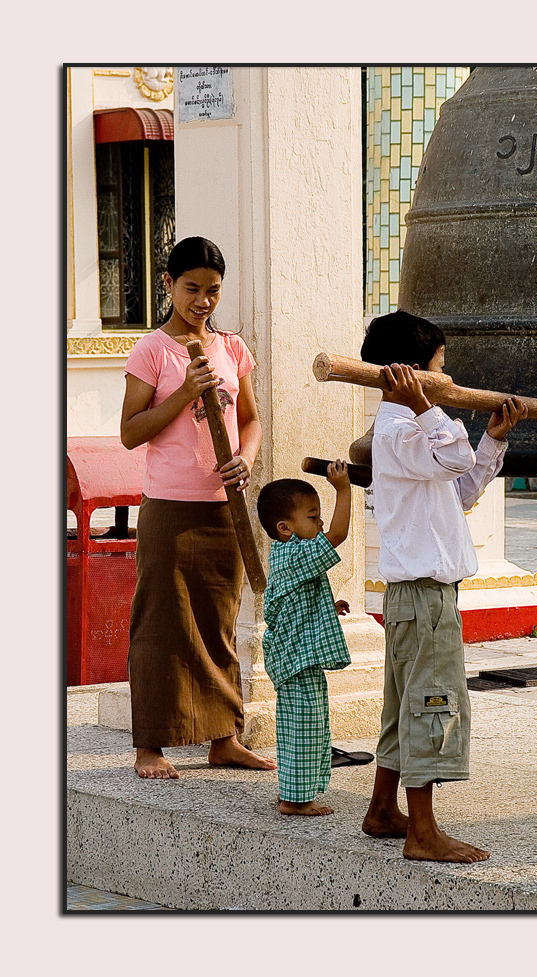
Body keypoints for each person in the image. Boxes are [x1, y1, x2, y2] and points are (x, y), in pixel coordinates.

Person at [359, 309, 528, 862]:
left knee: (402, 706)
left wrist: (492, 441)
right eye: (440, 370)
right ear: (413, 374)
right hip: (424, 596)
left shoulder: (409, 432)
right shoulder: (400, 429)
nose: (450, 382)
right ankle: (423, 832)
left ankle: (384, 808)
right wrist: (426, 405)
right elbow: (449, 455)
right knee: (433, 705)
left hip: (422, 598)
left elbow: (457, 491)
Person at [120, 236, 277, 779]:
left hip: (224, 509)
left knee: (219, 620)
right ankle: (150, 745)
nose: (202, 301)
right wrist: (185, 392)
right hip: (168, 510)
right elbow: (130, 432)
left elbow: (251, 420)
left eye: (212, 290)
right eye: (191, 289)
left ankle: (223, 738)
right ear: (168, 285)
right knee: (160, 624)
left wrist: (246, 459)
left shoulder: (232, 348)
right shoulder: (153, 352)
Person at [257, 466, 352, 816]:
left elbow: (297, 599)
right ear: (285, 527)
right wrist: (343, 489)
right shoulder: (296, 553)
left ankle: (296, 794)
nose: (322, 524)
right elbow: (339, 534)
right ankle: (295, 801)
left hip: (299, 659)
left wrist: (329, 605)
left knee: (307, 726)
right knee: (304, 728)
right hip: (298, 661)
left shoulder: (290, 554)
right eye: (313, 516)